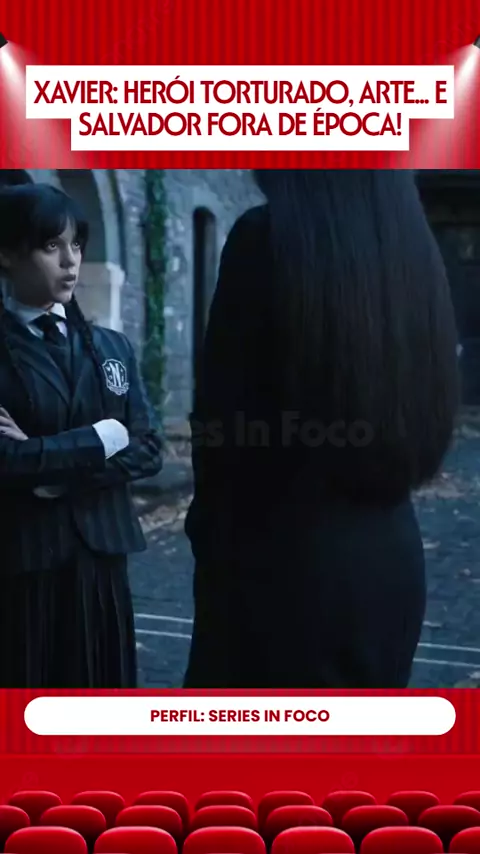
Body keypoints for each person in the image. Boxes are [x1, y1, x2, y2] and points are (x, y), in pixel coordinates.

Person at [184, 169, 459, 689]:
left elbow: (222, 428)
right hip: (391, 559)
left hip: (277, 562)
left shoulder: (266, 239)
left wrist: (213, 546)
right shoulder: (409, 251)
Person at [0, 182, 163, 687]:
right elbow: (5, 459)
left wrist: (54, 471)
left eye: (76, 244)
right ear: (8, 254)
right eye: (51, 246)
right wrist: (102, 438)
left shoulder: (112, 347)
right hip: (24, 561)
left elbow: (148, 448)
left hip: (102, 558)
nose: (70, 261)